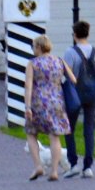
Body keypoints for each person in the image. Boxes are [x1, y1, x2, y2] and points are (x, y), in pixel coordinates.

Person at [22, 33, 73, 181]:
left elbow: (28, 85)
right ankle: (55, 171)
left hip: (38, 101)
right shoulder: (59, 61)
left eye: (33, 47)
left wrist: (27, 107)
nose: (33, 50)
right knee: (54, 136)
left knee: (31, 133)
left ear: (38, 47)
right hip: (57, 101)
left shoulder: (33, 63)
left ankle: (38, 166)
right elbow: (73, 79)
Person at [62, 21, 95, 179]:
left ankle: (73, 163)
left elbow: (68, 74)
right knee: (89, 129)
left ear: (74, 34)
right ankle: (88, 166)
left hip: (75, 94)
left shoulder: (70, 52)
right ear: (88, 33)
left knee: (69, 129)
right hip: (92, 94)